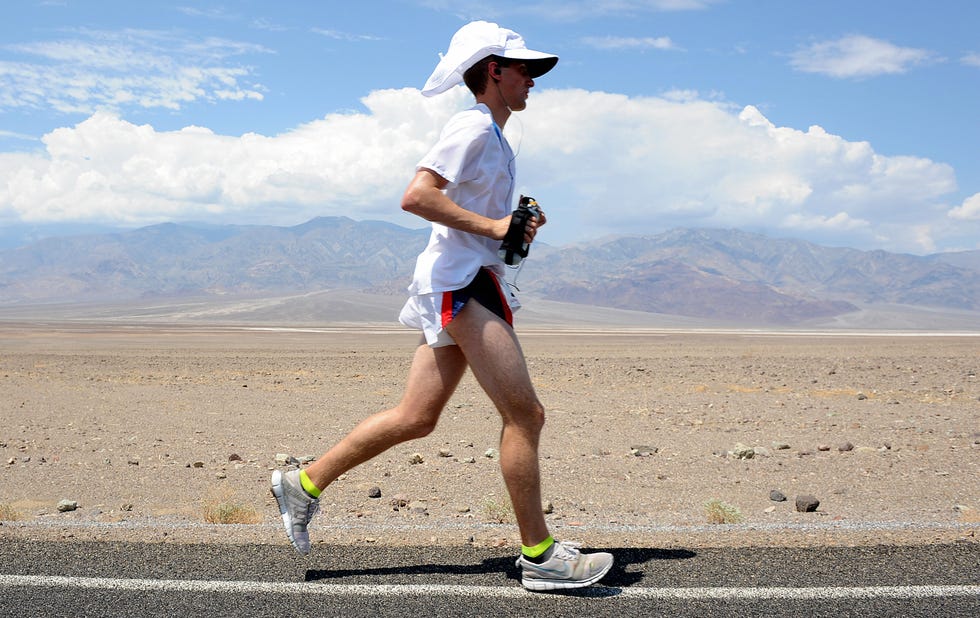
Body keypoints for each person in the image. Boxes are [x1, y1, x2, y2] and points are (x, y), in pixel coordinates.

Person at [271, 20, 613, 592]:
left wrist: (513, 235)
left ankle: (302, 484)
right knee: (524, 415)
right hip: (459, 287)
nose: (533, 80)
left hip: (466, 279)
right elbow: (416, 196)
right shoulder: (472, 126)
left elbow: (473, 221)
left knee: (416, 417)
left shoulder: (496, 138)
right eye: (525, 70)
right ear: (494, 71)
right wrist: (495, 224)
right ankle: (540, 557)